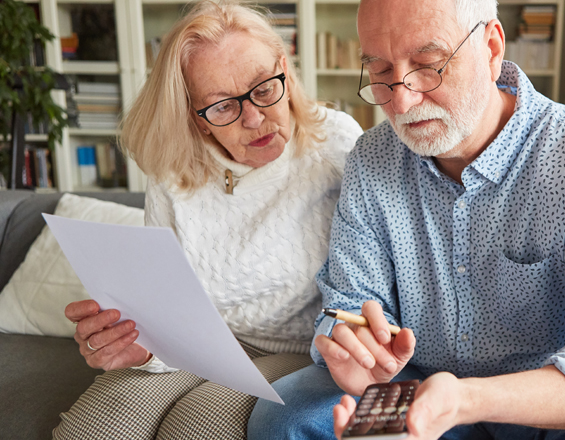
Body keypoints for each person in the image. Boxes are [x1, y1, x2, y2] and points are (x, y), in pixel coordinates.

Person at [247, 0, 565, 439]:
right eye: (382, 71)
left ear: (491, 48)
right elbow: (348, 302)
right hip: (416, 398)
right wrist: (352, 349)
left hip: (552, 407)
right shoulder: (372, 159)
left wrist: (471, 399)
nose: (401, 103)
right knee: (283, 419)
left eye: (428, 66)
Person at [57, 1, 362, 438]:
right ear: (196, 119)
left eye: (263, 88)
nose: (255, 119)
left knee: (195, 428)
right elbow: (164, 303)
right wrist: (139, 347)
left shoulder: (338, 143)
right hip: (193, 345)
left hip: (297, 348)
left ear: (284, 69)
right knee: (89, 432)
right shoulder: (172, 168)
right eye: (221, 107)